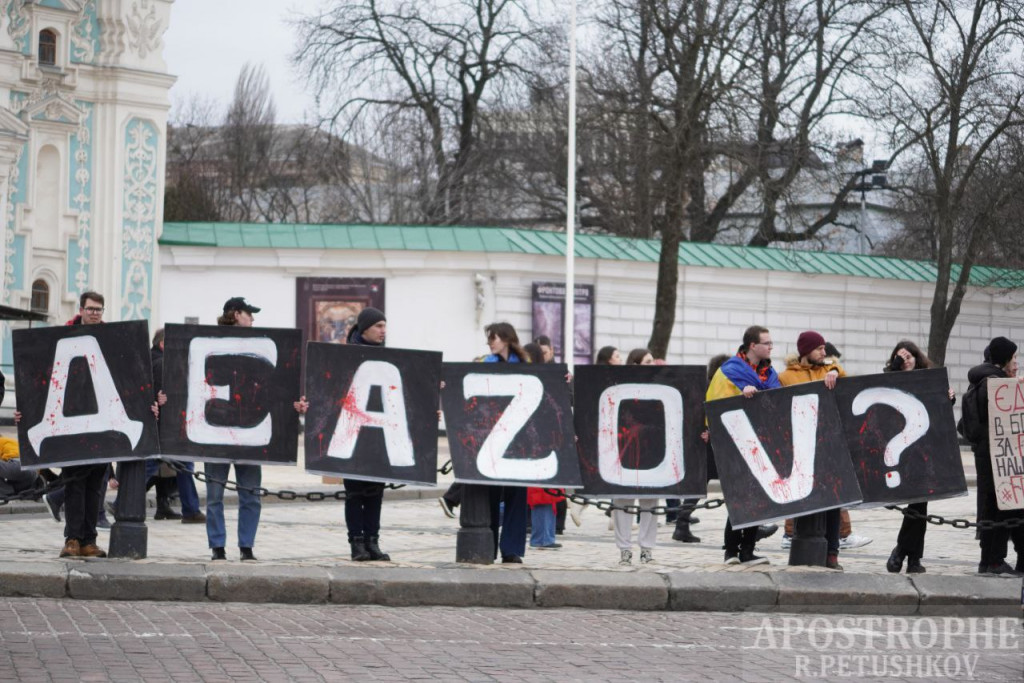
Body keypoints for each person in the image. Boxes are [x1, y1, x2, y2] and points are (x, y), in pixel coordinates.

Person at [706, 325, 782, 566]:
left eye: (771, 343)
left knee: (759, 497)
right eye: (767, 343)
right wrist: (742, 396)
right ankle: (731, 551)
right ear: (752, 346)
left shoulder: (770, 374)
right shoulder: (729, 372)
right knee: (741, 497)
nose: (771, 347)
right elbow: (714, 406)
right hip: (736, 443)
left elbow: (778, 401)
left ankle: (748, 551)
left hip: (764, 443)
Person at [883, 340, 955, 575]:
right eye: (900, 356)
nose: (905, 360)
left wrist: (948, 398)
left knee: (919, 504)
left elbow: (937, 409)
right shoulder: (890, 379)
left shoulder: (928, 380)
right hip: (899, 450)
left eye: (909, 355)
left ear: (917, 357)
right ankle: (909, 556)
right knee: (918, 506)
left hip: (922, 452)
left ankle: (906, 555)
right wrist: (895, 367)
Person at [778, 330, 847, 570]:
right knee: (803, 497)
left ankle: (832, 553)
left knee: (833, 500)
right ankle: (795, 539)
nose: (824, 352)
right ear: (807, 350)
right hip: (800, 447)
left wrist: (835, 371)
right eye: (819, 348)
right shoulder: (786, 377)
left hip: (828, 444)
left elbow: (846, 378)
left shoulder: (826, 370)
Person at [205, 297, 266, 562]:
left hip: (249, 430)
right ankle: (217, 546)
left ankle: (246, 545)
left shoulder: (262, 346)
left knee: (250, 494)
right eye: (249, 313)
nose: (252, 318)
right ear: (235, 314)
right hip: (216, 429)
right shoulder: (210, 343)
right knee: (215, 495)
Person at [963, 336, 1024, 576]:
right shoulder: (996, 384)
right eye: (1014, 357)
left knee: (992, 507)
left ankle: (988, 560)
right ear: (1005, 359)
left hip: (985, 456)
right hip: (998, 457)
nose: (1016, 361)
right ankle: (995, 560)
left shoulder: (979, 380)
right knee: (1002, 508)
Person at [338, 307, 392, 562]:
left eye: (385, 326)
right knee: (354, 493)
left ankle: (373, 541)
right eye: (379, 326)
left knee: (375, 492)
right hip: (352, 433)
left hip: (378, 434)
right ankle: (356, 543)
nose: (384, 331)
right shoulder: (345, 356)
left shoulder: (390, 358)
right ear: (365, 328)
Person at [483, 322, 531, 563]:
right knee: (490, 494)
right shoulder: (486, 364)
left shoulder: (525, 365)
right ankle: (488, 545)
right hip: (492, 439)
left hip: (518, 440)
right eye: (489, 338)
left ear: (507, 338)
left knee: (516, 496)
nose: (490, 342)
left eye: (494, 338)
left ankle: (511, 549)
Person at [148, 327, 204, 524]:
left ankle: (188, 509)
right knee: (162, 465)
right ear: (163, 344)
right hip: (166, 427)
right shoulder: (162, 363)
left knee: (180, 466)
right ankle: (190, 509)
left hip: (163, 426)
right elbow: (164, 395)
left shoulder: (151, 360)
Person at [611, 347, 661, 565]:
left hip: (652, 450)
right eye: (648, 362)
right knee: (623, 500)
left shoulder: (660, 388)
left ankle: (647, 548)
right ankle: (624, 549)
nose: (652, 365)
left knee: (650, 501)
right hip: (627, 449)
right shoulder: (621, 387)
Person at [0, 434, 42, 500]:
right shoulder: (11, 441)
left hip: (18, 465)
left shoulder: (1, 441)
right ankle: (9, 491)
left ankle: (6, 492)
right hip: (33, 472)